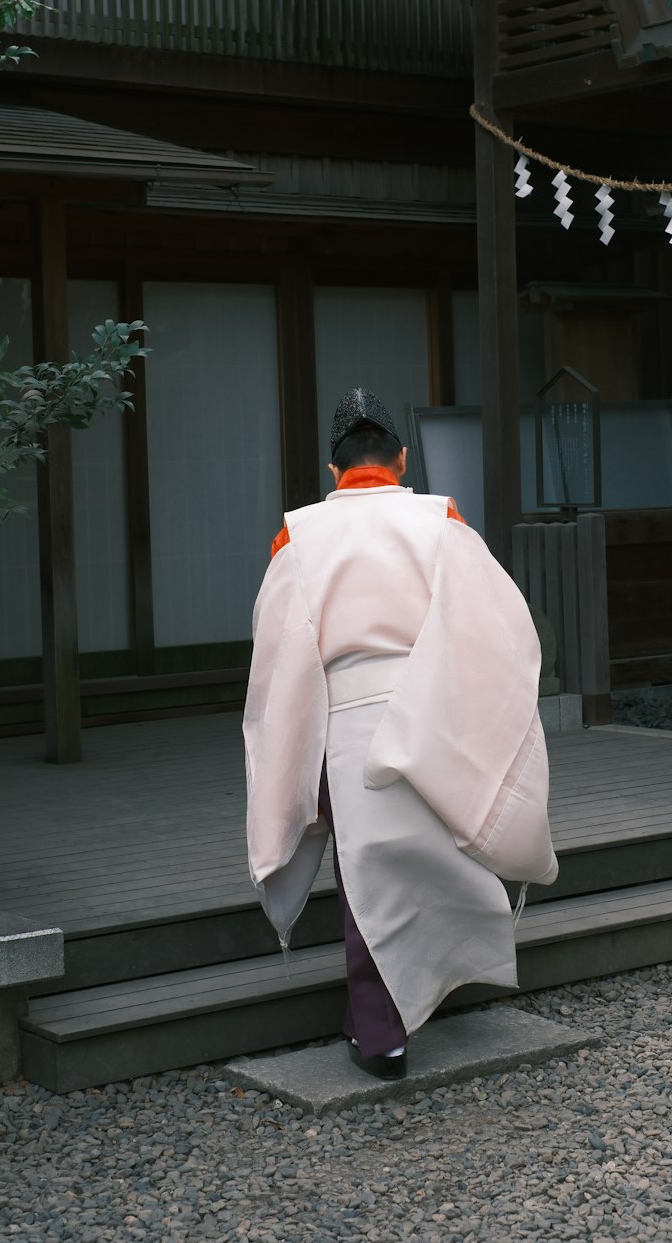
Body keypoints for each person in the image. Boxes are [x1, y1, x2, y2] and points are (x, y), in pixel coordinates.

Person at [243, 387, 558, 1080]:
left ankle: (382, 1035)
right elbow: (496, 630)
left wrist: (295, 759)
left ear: (334, 470)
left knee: (365, 880)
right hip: (429, 713)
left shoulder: (297, 536)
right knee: (444, 850)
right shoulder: (439, 520)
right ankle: (408, 1004)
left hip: (343, 723)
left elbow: (279, 662)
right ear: (403, 457)